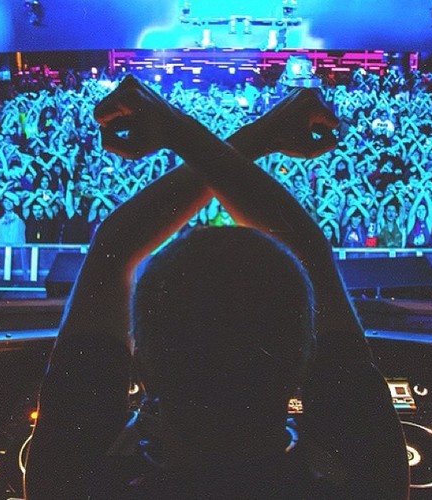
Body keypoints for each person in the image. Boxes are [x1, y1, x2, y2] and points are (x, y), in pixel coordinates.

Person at [24, 76, 409, 499]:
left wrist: (233, 135)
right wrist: (214, 134)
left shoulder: (67, 484)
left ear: (142, 370)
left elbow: (111, 250)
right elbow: (312, 253)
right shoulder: (372, 483)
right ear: (304, 363)